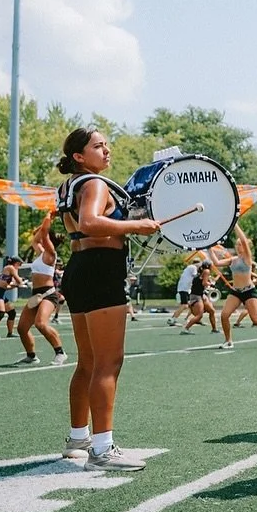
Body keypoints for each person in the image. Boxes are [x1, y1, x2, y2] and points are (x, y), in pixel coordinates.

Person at [54, 126, 161, 472]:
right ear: (79, 156)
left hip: (79, 269)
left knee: (87, 362)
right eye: (98, 146)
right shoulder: (95, 184)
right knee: (108, 363)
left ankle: (78, 438)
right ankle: (102, 449)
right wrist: (137, 226)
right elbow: (90, 221)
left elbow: (80, 225)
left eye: (106, 145)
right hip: (100, 270)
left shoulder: (68, 185)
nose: (107, 150)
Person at [15, 211, 69, 365]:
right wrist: (46, 221)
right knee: (22, 328)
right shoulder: (41, 253)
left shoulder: (51, 254)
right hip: (36, 294)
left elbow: (43, 233)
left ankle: (60, 352)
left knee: (40, 323)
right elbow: (36, 238)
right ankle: (31, 356)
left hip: (48, 294)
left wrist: (49, 215)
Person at [0, 257, 24, 339]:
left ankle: (10, 333)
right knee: (1, 313)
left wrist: (16, 285)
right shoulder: (10, 267)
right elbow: (19, 281)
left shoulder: (8, 270)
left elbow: (6, 286)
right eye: (19, 264)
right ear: (16, 263)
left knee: (12, 313)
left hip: (1, 293)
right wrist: (21, 283)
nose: (19, 267)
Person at [180, 261, 222, 336]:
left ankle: (214, 329)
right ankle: (186, 329)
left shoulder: (202, 271)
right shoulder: (206, 271)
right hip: (196, 296)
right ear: (208, 266)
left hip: (200, 295)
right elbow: (204, 283)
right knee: (199, 315)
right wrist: (211, 284)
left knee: (211, 311)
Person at [169, 257, 200, 327]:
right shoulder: (193, 267)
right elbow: (196, 276)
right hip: (184, 289)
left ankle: (174, 318)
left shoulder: (189, 268)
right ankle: (173, 319)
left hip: (184, 288)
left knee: (189, 305)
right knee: (184, 305)